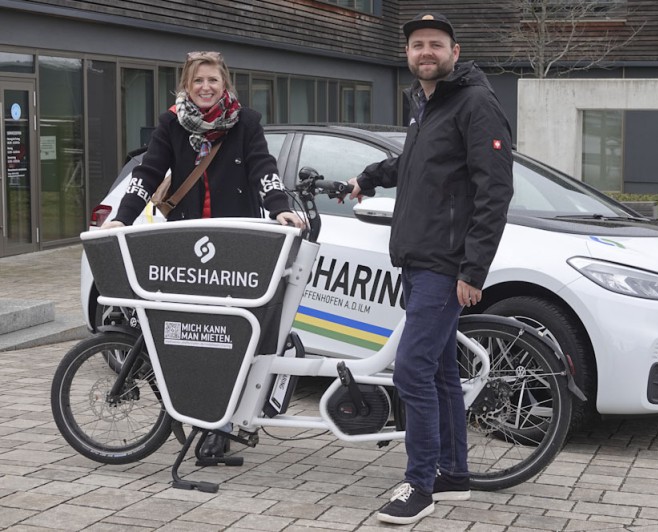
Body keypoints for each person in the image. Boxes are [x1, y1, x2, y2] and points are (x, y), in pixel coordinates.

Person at [347, 12, 513, 525]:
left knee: (413, 369)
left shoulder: (475, 104)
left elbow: (495, 192)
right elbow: (414, 164)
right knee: (440, 373)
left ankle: (418, 485)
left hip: (445, 264)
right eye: (417, 45)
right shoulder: (427, 104)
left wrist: (473, 271)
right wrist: (367, 178)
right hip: (419, 258)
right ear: (409, 54)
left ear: (454, 52)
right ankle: (452, 474)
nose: (425, 52)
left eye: (435, 45)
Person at [101, 50, 304, 458]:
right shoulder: (171, 123)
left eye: (213, 80)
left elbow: (262, 169)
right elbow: (148, 173)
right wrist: (122, 218)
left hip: (235, 242)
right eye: (198, 81)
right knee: (194, 335)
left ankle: (223, 427)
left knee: (233, 336)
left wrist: (280, 205)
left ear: (225, 84)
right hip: (187, 245)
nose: (206, 87)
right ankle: (205, 417)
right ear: (186, 87)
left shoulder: (246, 123)